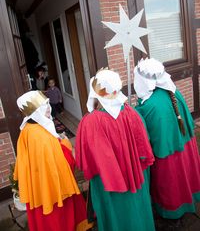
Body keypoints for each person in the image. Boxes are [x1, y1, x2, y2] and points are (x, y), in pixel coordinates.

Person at [75, 68, 156, 231]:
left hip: (108, 183)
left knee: (116, 216)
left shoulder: (90, 122)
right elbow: (144, 146)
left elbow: (85, 157)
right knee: (136, 209)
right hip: (135, 176)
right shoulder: (132, 113)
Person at [14, 90, 92, 231]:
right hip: (55, 191)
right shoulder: (39, 136)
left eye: (48, 104)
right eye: (45, 106)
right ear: (35, 112)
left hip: (39, 188)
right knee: (59, 220)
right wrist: (66, 144)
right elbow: (60, 163)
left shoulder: (28, 130)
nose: (49, 108)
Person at [133, 58, 200, 220]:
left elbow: (144, 136)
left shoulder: (148, 106)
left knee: (171, 184)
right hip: (184, 146)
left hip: (167, 155)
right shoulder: (173, 92)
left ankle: (172, 211)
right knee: (186, 176)